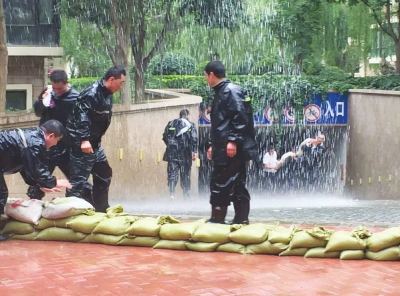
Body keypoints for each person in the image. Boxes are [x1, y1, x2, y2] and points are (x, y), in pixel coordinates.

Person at [66, 65, 126, 212]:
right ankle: (68, 213)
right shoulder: (91, 94)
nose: (121, 86)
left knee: (104, 173)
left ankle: (101, 208)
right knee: (78, 182)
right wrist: (84, 140)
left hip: (95, 144)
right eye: (121, 82)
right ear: (112, 79)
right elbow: (82, 117)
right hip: (82, 143)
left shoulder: (107, 94)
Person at [204, 61, 257, 225]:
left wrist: (233, 141)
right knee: (236, 183)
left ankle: (217, 218)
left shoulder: (230, 91)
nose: (206, 80)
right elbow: (222, 124)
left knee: (221, 181)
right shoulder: (225, 91)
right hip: (225, 146)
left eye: (206, 76)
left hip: (231, 149)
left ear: (211, 74)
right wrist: (214, 144)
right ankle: (241, 219)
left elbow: (240, 117)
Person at [27, 70, 92, 202]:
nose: (57, 91)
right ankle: (33, 206)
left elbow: (84, 121)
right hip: (47, 145)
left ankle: (85, 205)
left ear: (66, 83)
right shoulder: (48, 93)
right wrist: (41, 101)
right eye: (55, 88)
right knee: (38, 181)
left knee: (77, 181)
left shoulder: (76, 98)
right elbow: (38, 112)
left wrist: (83, 140)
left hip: (67, 146)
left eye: (60, 89)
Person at [0, 120, 72, 240]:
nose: (55, 144)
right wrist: (54, 182)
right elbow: (38, 169)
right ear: (51, 136)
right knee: (1, 193)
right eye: (57, 140)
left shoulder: (32, 137)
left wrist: (39, 184)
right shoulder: (35, 142)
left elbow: (26, 167)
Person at [162, 109, 198, 199]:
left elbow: (165, 136)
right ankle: (185, 193)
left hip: (172, 153)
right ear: (188, 116)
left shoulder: (171, 123)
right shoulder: (190, 125)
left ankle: (172, 193)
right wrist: (194, 151)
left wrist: (170, 145)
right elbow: (194, 138)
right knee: (185, 173)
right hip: (185, 153)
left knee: (172, 172)